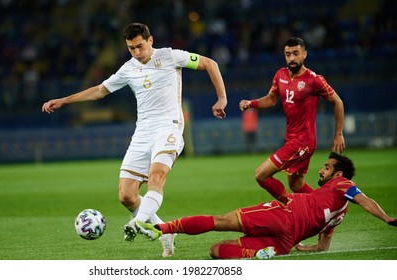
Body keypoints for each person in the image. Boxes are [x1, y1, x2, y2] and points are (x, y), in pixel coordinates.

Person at [42, 23, 228, 257]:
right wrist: (64, 100)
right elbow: (100, 91)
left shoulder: (171, 56)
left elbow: (210, 64)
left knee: (156, 176)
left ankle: (138, 222)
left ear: (150, 41)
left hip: (168, 127)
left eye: (140, 46)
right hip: (142, 133)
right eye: (131, 48)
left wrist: (221, 98)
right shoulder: (128, 68)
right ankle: (165, 230)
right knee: (126, 195)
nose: (137, 52)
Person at [135, 152, 397, 259]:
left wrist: (386, 219)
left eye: (327, 167)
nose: (323, 169)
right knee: (217, 251)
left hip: (283, 214)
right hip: (286, 241)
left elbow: (364, 200)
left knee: (220, 221)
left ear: (339, 174)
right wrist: (303, 247)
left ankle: (163, 228)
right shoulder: (338, 213)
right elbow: (323, 246)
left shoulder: (341, 185)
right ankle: (261, 255)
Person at [239, 37, 345, 204]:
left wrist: (338, 134)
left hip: (303, 142)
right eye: (288, 54)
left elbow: (338, 102)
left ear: (305, 54)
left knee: (261, 175)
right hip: (292, 139)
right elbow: (271, 99)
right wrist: (250, 103)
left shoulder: (314, 80)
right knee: (296, 185)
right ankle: (326, 209)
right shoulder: (280, 75)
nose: (292, 58)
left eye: (296, 53)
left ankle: (293, 206)